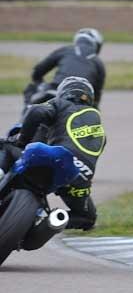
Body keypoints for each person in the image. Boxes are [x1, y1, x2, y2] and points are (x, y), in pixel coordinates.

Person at [1, 77, 106, 231]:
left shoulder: (62, 104)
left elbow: (36, 111)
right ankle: (42, 223)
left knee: (6, 146)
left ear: (64, 93)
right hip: (78, 175)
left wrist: (21, 141)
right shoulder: (99, 127)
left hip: (51, 156)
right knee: (87, 218)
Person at [25, 28, 106, 108]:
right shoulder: (98, 62)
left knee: (31, 88)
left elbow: (38, 70)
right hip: (81, 100)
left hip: (54, 91)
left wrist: (39, 83)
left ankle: (27, 116)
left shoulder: (66, 50)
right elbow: (97, 96)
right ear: (97, 45)